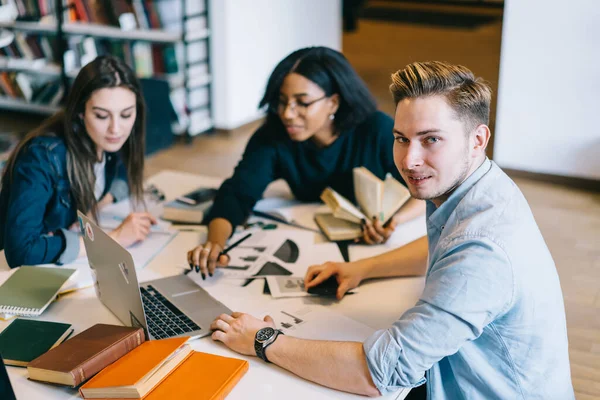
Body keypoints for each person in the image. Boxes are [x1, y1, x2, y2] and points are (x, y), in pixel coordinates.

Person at [209, 61, 574, 399]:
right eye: (401, 138)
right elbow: (446, 247)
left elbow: (381, 373)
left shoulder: (482, 249)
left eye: (431, 139)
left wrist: (263, 340)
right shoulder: (482, 189)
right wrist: (361, 268)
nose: (409, 160)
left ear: (478, 139)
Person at [188, 46, 424, 278]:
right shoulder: (274, 135)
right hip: (309, 244)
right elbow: (237, 194)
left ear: (333, 102)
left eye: (302, 102)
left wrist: (392, 222)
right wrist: (215, 243)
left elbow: (423, 188)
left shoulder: (376, 130)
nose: (288, 113)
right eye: (282, 101)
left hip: (373, 249)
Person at [0, 55, 156, 269]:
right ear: (81, 113)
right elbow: (21, 251)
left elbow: (123, 176)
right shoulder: (41, 157)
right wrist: (114, 238)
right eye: (102, 116)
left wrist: (95, 205)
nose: (116, 129)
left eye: (126, 114)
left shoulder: (108, 145)